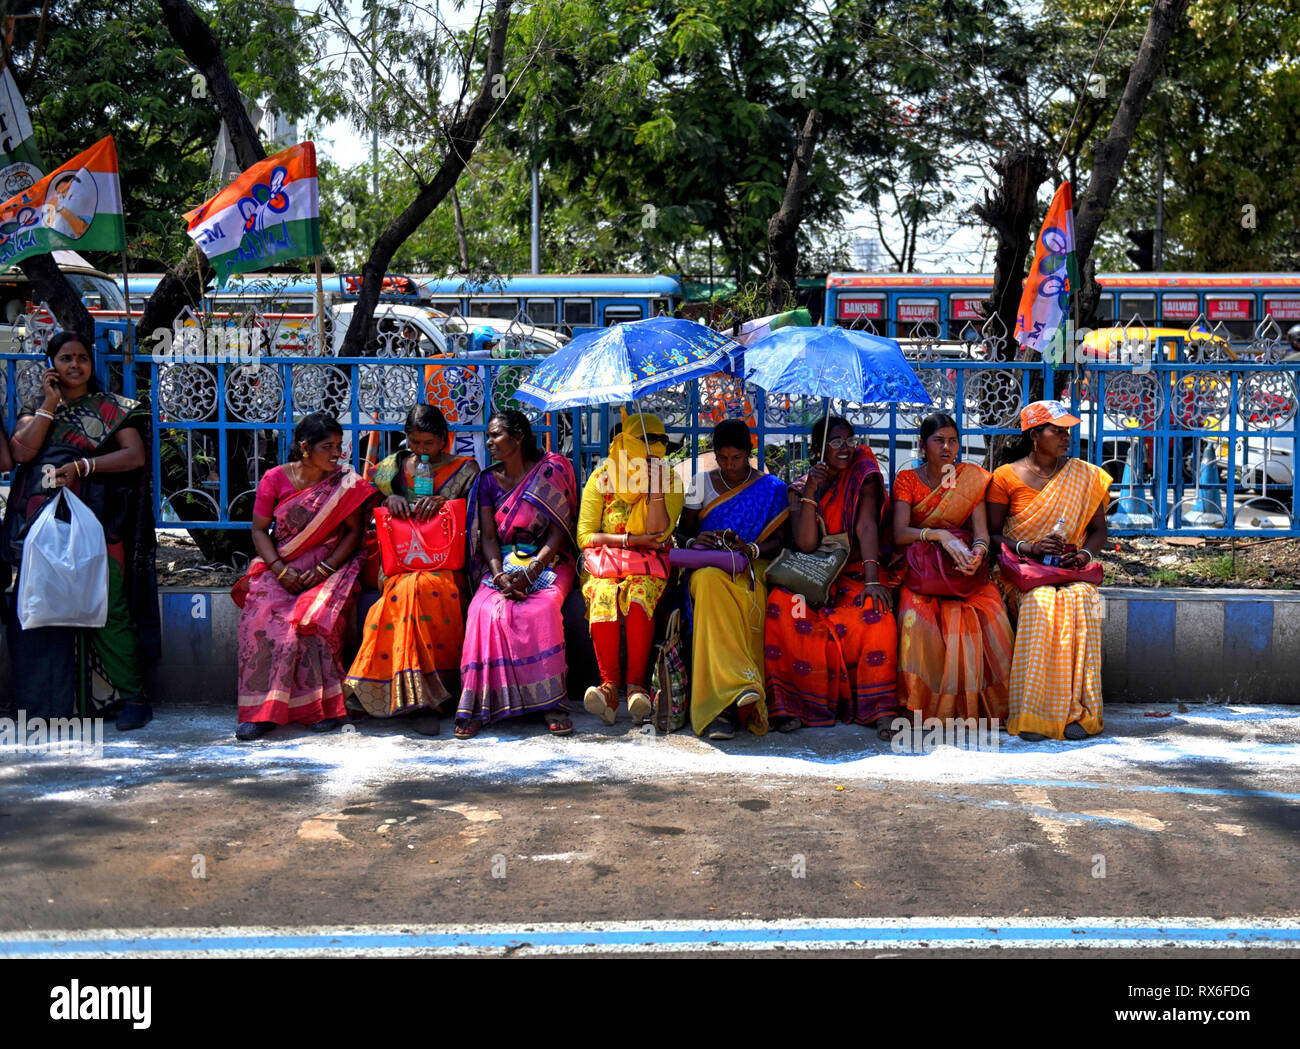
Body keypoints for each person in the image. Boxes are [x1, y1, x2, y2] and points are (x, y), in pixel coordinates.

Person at [1, 331, 159, 728]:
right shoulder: (37, 406)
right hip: (39, 520)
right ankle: (48, 706)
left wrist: (84, 466)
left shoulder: (112, 407)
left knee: (108, 604)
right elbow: (21, 453)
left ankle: (131, 699)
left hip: (96, 518)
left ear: (92, 363)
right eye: (65, 358)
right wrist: (51, 403)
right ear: (52, 365)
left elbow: (133, 455)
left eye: (82, 358)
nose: (75, 365)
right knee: (38, 605)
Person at [232, 412, 378, 741]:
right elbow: (259, 530)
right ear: (305, 448)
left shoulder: (347, 483)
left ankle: (317, 709)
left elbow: (354, 534)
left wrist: (324, 569)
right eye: (328, 446)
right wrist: (280, 570)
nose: (336, 454)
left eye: (339, 446)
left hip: (331, 568)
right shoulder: (274, 478)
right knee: (260, 621)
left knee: (311, 622)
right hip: (281, 564)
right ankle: (261, 713)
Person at [343, 406, 478, 735]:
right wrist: (389, 502)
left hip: (445, 561)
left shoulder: (465, 469)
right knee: (405, 590)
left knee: (420, 590)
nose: (421, 450)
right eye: (415, 442)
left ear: (444, 440)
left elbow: (474, 518)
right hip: (401, 561)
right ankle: (413, 698)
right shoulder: (391, 468)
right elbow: (369, 510)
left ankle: (429, 700)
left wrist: (445, 506)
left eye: (429, 443)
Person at [764, 415, 901, 737]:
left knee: (875, 614)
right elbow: (806, 543)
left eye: (849, 440)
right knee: (781, 605)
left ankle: (879, 708)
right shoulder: (799, 488)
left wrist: (871, 579)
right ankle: (791, 705)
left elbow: (866, 526)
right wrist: (812, 489)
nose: (845, 448)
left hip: (854, 571)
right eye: (836, 442)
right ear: (818, 448)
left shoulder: (863, 473)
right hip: (813, 574)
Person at [986, 400, 1111, 741]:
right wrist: (1030, 547)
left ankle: (1078, 711)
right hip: (1022, 572)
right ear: (1034, 435)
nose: (1065, 437)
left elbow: (1099, 530)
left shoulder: (1084, 476)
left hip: (1069, 571)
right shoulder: (1005, 477)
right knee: (1041, 602)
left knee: (1084, 598)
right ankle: (1033, 713)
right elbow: (992, 534)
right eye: (1056, 431)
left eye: (1067, 431)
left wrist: (1083, 555)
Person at [456, 410, 579, 739]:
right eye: (490, 435)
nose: (491, 442)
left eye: (496, 435)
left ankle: (551, 702)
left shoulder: (551, 471)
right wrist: (499, 576)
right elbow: (488, 537)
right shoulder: (486, 480)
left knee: (541, 609)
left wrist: (532, 571)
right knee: (483, 610)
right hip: (502, 562)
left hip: (549, 559)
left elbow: (559, 532)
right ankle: (478, 703)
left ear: (519, 437)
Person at [891, 413, 1013, 723]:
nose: (947, 447)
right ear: (922, 445)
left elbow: (982, 532)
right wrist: (939, 535)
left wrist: (977, 553)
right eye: (939, 440)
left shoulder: (969, 479)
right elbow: (899, 533)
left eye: (953, 440)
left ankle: (979, 709)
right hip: (921, 572)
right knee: (914, 621)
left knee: (991, 615)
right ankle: (918, 706)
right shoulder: (907, 479)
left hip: (962, 571)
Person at [676, 419, 788, 740]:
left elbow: (781, 540)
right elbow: (683, 533)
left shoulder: (772, 489)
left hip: (749, 571)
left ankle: (729, 705)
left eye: (736, 458)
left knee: (731, 597)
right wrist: (696, 541)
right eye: (722, 459)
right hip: (708, 568)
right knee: (709, 584)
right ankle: (737, 691)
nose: (729, 466)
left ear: (749, 454)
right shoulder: (701, 483)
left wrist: (750, 548)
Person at [578, 408, 684, 726]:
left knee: (637, 594)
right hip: (605, 565)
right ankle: (609, 689)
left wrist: (653, 488)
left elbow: (658, 533)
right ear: (626, 442)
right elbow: (585, 535)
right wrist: (626, 539)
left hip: (649, 565)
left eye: (661, 441)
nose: (656, 447)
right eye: (646, 440)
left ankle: (637, 687)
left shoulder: (672, 480)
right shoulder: (601, 478)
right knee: (604, 595)